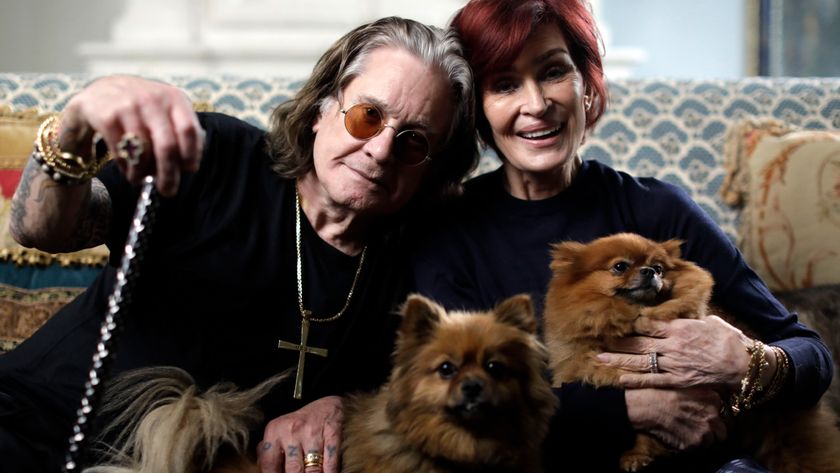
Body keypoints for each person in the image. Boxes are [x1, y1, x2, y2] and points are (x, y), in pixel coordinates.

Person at [0, 16, 476, 473]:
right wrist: (75, 130)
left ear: (431, 169)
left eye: (413, 142)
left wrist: (345, 407)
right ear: (320, 110)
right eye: (368, 116)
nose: (380, 150)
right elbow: (42, 231)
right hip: (32, 422)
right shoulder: (215, 157)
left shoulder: (416, 265)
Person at [409, 1, 834, 472]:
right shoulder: (448, 231)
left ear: (586, 86)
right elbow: (447, 405)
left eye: (552, 72)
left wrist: (747, 362)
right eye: (505, 85)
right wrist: (629, 409)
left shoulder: (658, 208)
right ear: (478, 110)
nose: (536, 104)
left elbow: (811, 356)